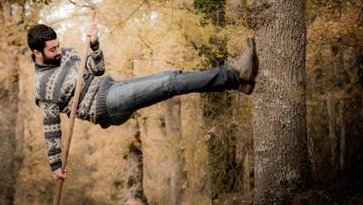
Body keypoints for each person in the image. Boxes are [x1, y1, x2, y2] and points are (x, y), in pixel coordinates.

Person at [27, 18, 258, 181]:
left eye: (58, 45)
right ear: (37, 53)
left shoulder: (67, 52)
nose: (59, 51)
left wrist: (95, 43)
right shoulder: (43, 87)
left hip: (111, 86)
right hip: (106, 106)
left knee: (171, 77)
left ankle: (240, 83)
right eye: (52, 49)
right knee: (170, 83)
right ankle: (236, 73)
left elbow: (98, 69)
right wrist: (56, 166)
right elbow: (51, 129)